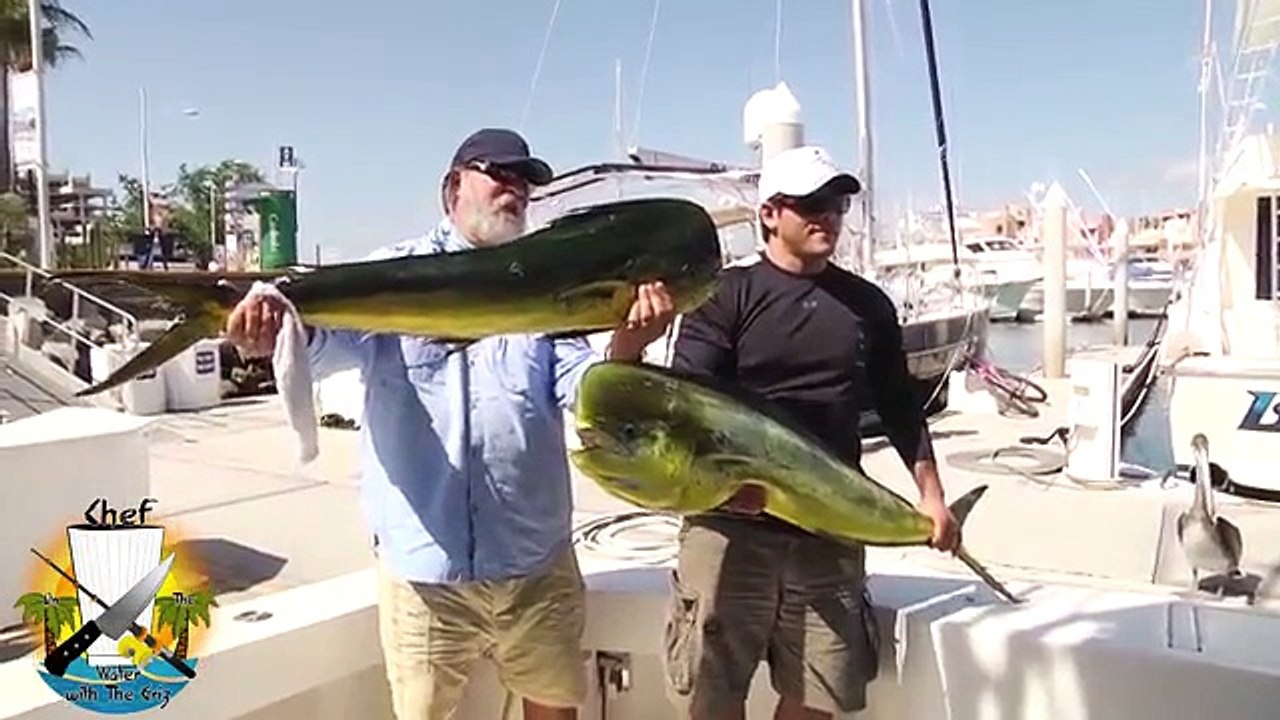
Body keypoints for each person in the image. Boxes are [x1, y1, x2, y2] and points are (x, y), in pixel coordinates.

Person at [223, 128, 676, 720]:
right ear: (452, 187)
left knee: (555, 710)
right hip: (424, 573)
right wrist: (269, 332)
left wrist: (629, 345)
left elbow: (582, 390)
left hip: (535, 561)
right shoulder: (395, 274)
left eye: (525, 181)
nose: (515, 188)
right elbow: (319, 343)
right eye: (500, 173)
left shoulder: (548, 283)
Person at [660, 145, 960, 719]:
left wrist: (933, 497)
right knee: (712, 695)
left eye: (836, 202)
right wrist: (725, 488)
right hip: (731, 524)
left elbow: (900, 405)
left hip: (828, 524)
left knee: (817, 698)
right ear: (770, 213)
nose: (827, 214)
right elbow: (689, 402)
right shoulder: (725, 295)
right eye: (809, 203)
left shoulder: (867, 305)